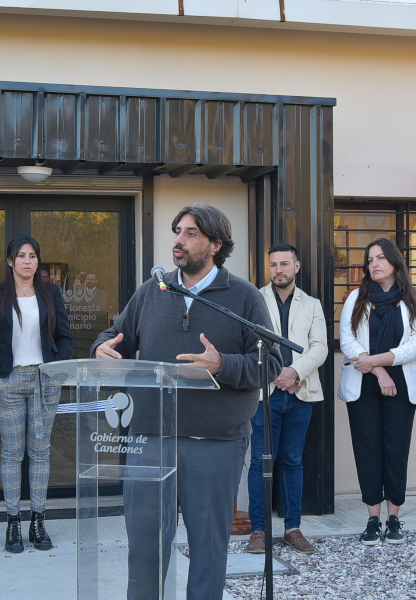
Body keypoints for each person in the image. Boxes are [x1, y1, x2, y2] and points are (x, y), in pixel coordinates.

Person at [92, 203, 281, 600]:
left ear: (215, 244)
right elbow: (115, 335)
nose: (178, 240)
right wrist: (100, 349)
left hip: (215, 445)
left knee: (209, 551)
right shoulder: (152, 291)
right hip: (148, 440)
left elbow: (273, 362)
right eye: (178, 231)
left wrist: (223, 363)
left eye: (190, 233)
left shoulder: (243, 296)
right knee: (144, 548)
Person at [0, 235, 72, 553]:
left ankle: (38, 520)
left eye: (33, 255)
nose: (27, 261)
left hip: (45, 380)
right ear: (10, 261)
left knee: (41, 453)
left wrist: (58, 371)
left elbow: (64, 336)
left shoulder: (51, 294)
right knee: (12, 454)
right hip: (9, 381)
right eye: (21, 255)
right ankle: (13, 522)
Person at [338, 238, 416, 546]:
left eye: (380, 258)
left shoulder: (413, 299)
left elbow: (415, 346)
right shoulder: (356, 298)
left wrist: (377, 362)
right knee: (367, 450)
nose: (374, 264)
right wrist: (377, 371)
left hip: (401, 384)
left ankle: (394, 519)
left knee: (395, 449)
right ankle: (373, 519)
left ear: (394, 261)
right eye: (370, 259)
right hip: (363, 384)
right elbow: (348, 341)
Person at [246, 244, 328, 555]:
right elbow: (249, 343)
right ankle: (258, 531)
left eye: (284, 264)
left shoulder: (313, 304)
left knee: (293, 461)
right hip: (264, 394)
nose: (278, 270)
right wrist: (277, 375)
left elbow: (319, 347)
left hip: (301, 393)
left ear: (296, 266)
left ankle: (293, 528)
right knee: (259, 462)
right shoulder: (254, 299)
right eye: (273, 265)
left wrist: (295, 372)